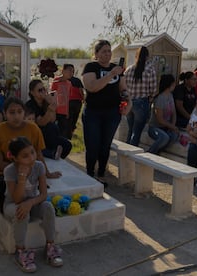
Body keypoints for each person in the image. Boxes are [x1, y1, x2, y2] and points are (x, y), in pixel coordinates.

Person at [3, 136, 63, 273]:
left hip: (32, 202)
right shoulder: (10, 171)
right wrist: (22, 177)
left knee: (47, 206)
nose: (31, 157)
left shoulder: (39, 166)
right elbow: (17, 199)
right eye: (25, 156)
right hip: (12, 205)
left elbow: (43, 194)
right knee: (21, 211)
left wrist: (30, 202)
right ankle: (21, 251)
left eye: (32, 152)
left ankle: (50, 246)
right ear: (15, 158)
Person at [0, 97, 62, 210]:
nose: (16, 116)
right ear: (5, 114)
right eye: (12, 112)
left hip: (29, 170)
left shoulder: (33, 128)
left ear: (24, 113)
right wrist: (19, 171)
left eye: (19, 112)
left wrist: (46, 174)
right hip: (5, 172)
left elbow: (38, 153)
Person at [81, 39, 129, 184]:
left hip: (112, 113)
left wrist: (128, 101)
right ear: (96, 54)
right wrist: (110, 74)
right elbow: (92, 87)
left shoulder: (117, 68)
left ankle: (101, 175)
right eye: (104, 51)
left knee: (105, 145)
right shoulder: (91, 67)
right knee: (93, 145)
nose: (107, 54)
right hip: (93, 113)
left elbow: (123, 89)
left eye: (109, 51)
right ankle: (90, 175)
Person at [26, 80, 72, 160]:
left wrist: (51, 105)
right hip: (37, 134)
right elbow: (41, 123)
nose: (43, 92)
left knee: (67, 145)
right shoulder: (30, 105)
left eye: (44, 89)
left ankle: (56, 156)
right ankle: (52, 154)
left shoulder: (45, 102)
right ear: (32, 92)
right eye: (40, 90)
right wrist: (50, 110)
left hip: (50, 134)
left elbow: (52, 120)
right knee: (51, 128)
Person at [124, 46, 157, 146]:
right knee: (137, 132)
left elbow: (123, 86)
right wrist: (151, 97)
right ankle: (131, 153)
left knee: (131, 129)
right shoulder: (150, 69)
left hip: (129, 102)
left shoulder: (129, 69)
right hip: (142, 103)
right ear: (147, 56)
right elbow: (153, 89)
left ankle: (126, 151)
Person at [147, 74, 179, 154]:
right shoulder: (160, 99)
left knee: (174, 136)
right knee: (164, 137)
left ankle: (158, 152)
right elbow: (160, 119)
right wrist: (172, 126)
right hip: (155, 127)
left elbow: (174, 113)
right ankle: (150, 154)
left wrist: (173, 125)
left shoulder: (170, 96)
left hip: (166, 127)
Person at [50, 64, 74, 139]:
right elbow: (52, 95)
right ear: (63, 71)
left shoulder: (69, 84)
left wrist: (67, 112)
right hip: (56, 111)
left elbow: (68, 99)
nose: (71, 73)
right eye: (69, 70)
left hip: (64, 112)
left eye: (73, 71)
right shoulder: (56, 81)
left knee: (62, 132)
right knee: (54, 131)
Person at [67, 65, 85, 138]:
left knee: (69, 118)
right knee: (74, 118)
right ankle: (70, 132)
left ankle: (69, 132)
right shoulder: (77, 80)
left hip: (70, 102)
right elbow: (81, 91)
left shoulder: (64, 79)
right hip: (77, 102)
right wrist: (84, 98)